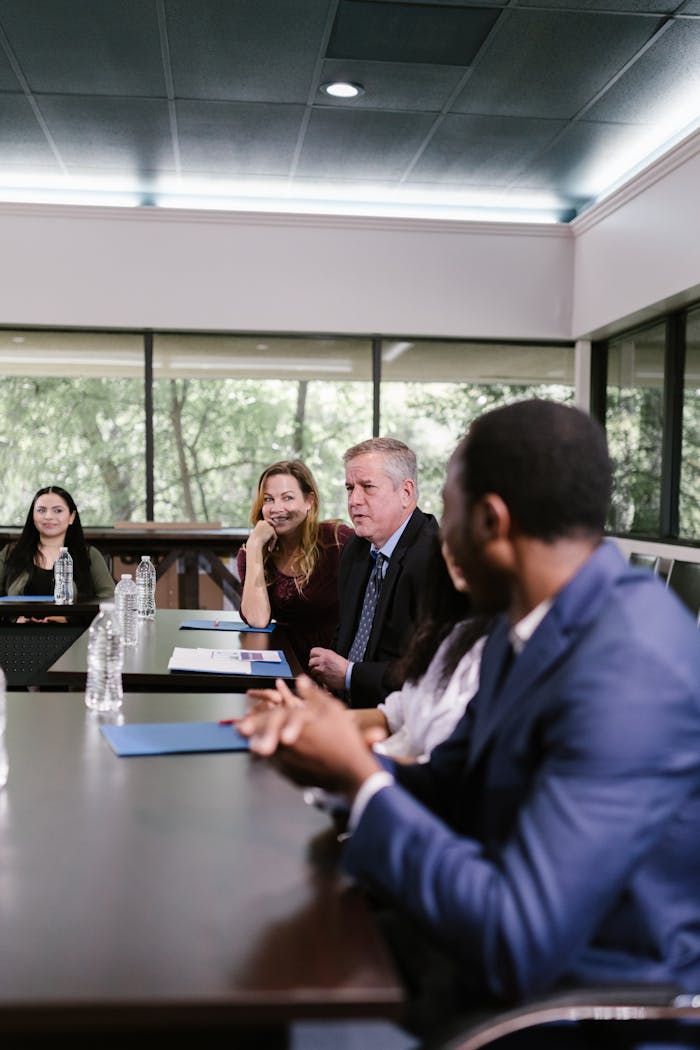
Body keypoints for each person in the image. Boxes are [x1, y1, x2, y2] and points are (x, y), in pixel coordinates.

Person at [237, 400, 700, 1046]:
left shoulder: (632, 664)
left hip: (567, 1006)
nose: (437, 540)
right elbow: (455, 781)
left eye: (445, 517)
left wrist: (360, 776)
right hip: (471, 951)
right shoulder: (530, 625)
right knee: (257, 960)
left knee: (269, 1004)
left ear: (491, 521)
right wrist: (331, 761)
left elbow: (520, 937)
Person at [308, 437, 439, 708]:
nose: (354, 500)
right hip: (343, 705)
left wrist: (348, 676)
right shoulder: (355, 548)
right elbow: (345, 633)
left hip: (398, 717)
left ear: (405, 492)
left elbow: (429, 672)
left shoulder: (434, 559)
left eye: (367, 487)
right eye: (349, 488)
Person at [236, 460, 354, 673]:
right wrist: (254, 546)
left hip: (336, 666)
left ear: (309, 501)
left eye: (288, 497)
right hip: (285, 666)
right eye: (268, 499)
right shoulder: (251, 553)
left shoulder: (336, 539)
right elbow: (258, 620)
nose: (276, 508)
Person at [0, 485, 115, 618]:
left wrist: (68, 617)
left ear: (71, 517)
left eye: (58, 510)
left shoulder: (88, 554)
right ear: (33, 515)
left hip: (74, 634)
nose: (48, 516)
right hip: (17, 634)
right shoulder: (11, 552)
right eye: (41, 510)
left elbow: (110, 599)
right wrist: (14, 619)